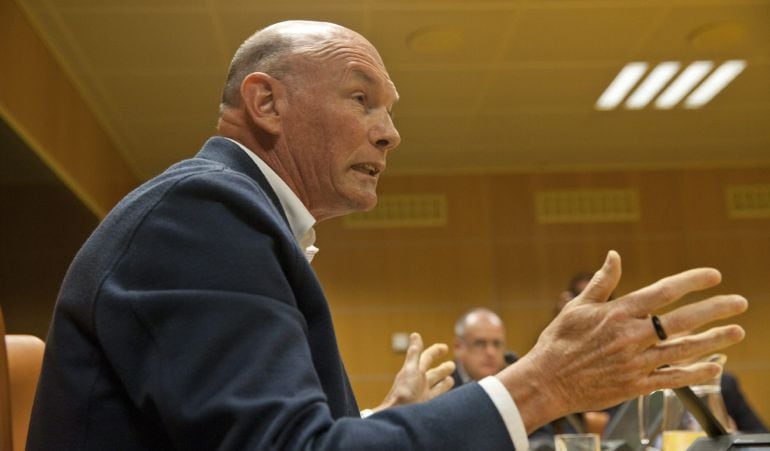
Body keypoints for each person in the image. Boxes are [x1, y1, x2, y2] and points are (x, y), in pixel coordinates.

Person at [27, 20, 749, 450]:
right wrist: (540, 382)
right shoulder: (202, 213)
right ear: (267, 102)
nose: (391, 131)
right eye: (361, 97)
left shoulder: (226, 215)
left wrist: (389, 422)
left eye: (390, 110)